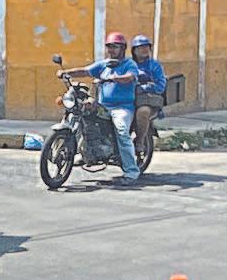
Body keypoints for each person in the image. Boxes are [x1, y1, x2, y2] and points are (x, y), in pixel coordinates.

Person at [58, 32, 142, 182]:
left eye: (115, 47)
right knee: (80, 115)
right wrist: (66, 72)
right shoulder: (104, 64)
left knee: (121, 131)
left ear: (123, 49)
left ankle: (131, 172)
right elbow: (85, 71)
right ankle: (84, 152)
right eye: (109, 46)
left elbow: (130, 77)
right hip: (102, 105)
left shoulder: (129, 64)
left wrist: (115, 78)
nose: (111, 50)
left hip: (122, 107)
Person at [129, 34, 167, 153]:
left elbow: (161, 86)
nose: (145, 49)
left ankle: (140, 141)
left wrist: (144, 88)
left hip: (147, 101)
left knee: (143, 112)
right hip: (127, 99)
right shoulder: (128, 64)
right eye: (141, 47)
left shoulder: (154, 65)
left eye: (147, 47)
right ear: (134, 50)